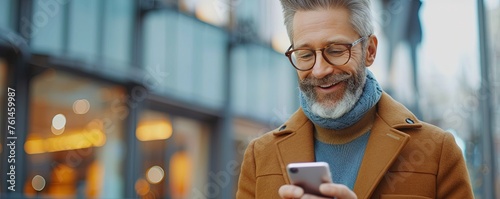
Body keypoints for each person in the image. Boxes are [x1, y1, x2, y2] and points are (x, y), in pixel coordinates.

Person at [236, 0, 474, 198]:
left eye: (336, 50)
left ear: (370, 50)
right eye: (305, 55)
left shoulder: (438, 152)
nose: (319, 70)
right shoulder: (259, 157)